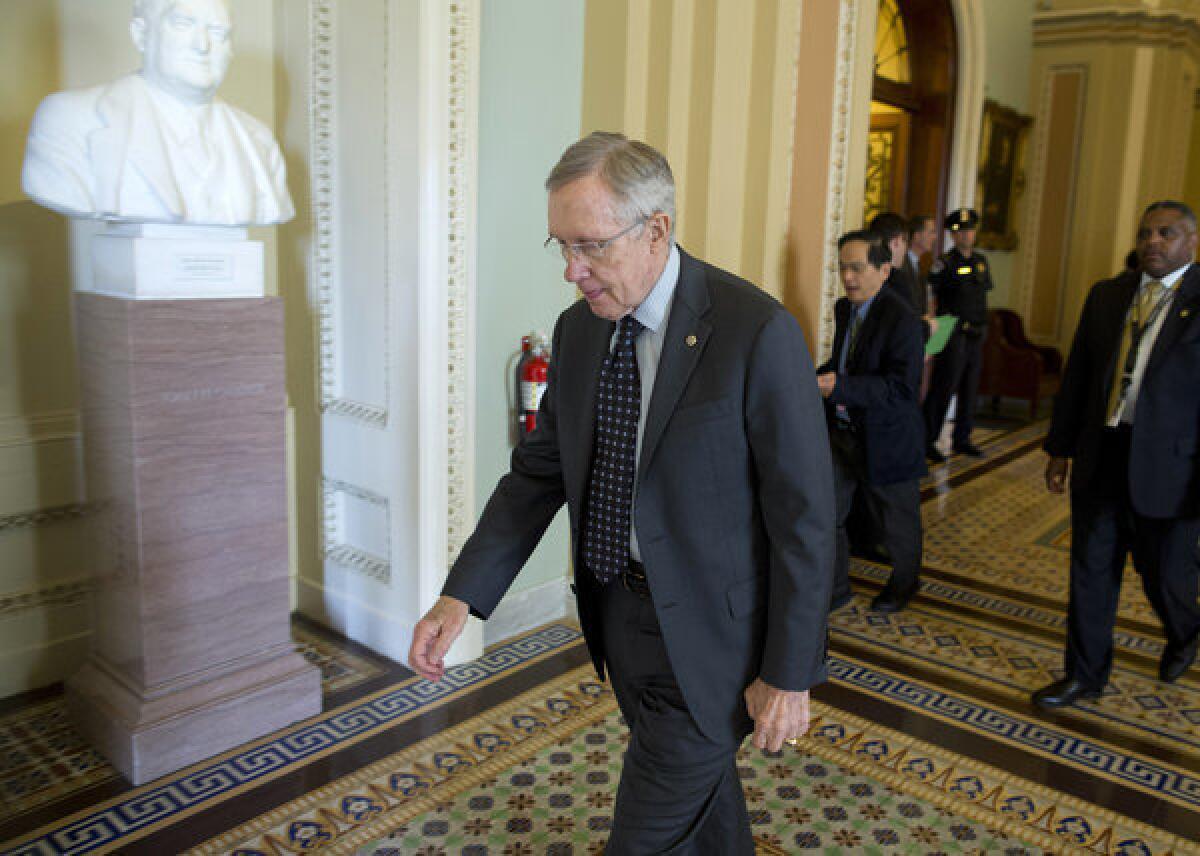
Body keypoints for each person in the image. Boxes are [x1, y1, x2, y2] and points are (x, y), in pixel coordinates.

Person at [408, 132, 835, 853]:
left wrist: (789, 674)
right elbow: (537, 474)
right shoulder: (579, 332)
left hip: (715, 640)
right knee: (701, 814)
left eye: (590, 246)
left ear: (656, 230)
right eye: (561, 247)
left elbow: (805, 520)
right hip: (617, 618)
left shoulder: (752, 330)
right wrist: (462, 594)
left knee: (644, 834)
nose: (572, 271)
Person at [1032, 200, 1200, 710]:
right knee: (1090, 571)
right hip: (1104, 453)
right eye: (1146, 232)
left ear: (1191, 240)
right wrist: (1060, 449)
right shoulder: (1107, 296)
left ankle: (1187, 632)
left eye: (1166, 233)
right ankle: (1084, 675)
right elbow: (1079, 377)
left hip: (1172, 468)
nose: (1153, 241)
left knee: (1165, 577)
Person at [22, 0, 293, 226]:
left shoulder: (258, 140)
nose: (202, 45)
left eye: (218, 32)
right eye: (182, 24)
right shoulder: (70, 119)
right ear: (141, 35)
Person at [818, 231, 926, 613]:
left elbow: (900, 390)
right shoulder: (845, 308)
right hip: (843, 433)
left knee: (897, 525)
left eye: (857, 269)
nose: (848, 277)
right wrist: (817, 376)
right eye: (842, 267)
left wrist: (839, 386)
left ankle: (903, 584)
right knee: (828, 513)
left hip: (888, 439)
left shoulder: (904, 321)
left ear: (884, 270)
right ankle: (834, 590)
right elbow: (845, 364)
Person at [923, 208, 992, 462]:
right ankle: (928, 439)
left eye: (971, 229)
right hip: (952, 332)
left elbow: (982, 296)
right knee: (944, 386)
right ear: (953, 234)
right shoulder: (945, 263)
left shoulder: (981, 261)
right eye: (962, 231)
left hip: (976, 333)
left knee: (970, 388)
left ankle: (962, 439)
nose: (967, 235)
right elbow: (933, 295)